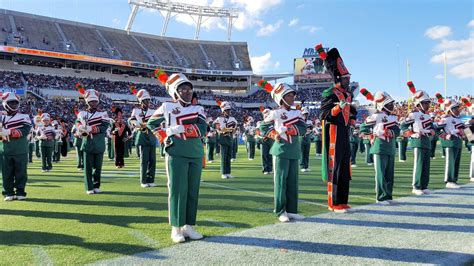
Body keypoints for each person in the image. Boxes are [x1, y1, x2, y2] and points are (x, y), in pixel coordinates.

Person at [147, 71, 207, 243]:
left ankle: (188, 226)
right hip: (176, 152)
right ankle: (176, 227)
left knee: (192, 191)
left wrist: (182, 129)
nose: (187, 92)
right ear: (175, 92)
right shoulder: (166, 107)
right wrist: (166, 134)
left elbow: (203, 129)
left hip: (195, 153)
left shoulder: (199, 108)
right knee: (177, 190)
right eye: (183, 89)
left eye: (189, 89)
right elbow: (152, 124)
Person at [259, 81, 307, 222]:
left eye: (293, 94)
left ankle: (292, 210)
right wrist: (274, 134)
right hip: (280, 150)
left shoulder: (297, 112)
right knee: (280, 181)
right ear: (282, 97)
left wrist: (290, 129)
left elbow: (303, 128)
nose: (293, 97)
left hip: (294, 150)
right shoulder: (275, 113)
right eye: (289, 95)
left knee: (293, 182)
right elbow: (263, 127)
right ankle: (280, 211)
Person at [318, 45, 357, 213]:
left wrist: (353, 122)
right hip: (333, 132)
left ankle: (343, 201)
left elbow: (353, 111)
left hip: (345, 132)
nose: (348, 81)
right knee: (335, 167)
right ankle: (333, 203)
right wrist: (337, 108)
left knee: (344, 167)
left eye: (349, 78)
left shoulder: (349, 95)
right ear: (339, 79)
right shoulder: (331, 93)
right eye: (346, 78)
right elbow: (323, 114)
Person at [362, 90, 400, 204]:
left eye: (392, 103)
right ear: (382, 105)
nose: (392, 106)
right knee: (380, 174)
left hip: (391, 148)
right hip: (379, 148)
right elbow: (362, 129)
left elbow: (397, 131)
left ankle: (388, 196)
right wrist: (373, 135)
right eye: (389, 104)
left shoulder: (393, 118)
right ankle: (381, 197)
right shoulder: (375, 116)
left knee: (389, 175)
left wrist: (391, 133)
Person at [401, 81, 435, 196]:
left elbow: (431, 127)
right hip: (418, 141)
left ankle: (424, 186)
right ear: (419, 103)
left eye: (428, 102)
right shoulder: (413, 114)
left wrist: (432, 130)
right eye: (425, 103)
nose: (428, 104)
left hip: (426, 141)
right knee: (419, 164)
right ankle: (416, 186)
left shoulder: (428, 115)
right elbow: (403, 126)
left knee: (426, 165)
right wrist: (413, 134)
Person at [76, 85, 109, 195]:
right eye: (91, 102)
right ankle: (89, 187)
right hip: (87, 143)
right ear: (87, 102)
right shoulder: (82, 114)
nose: (94, 103)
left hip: (99, 144)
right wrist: (80, 127)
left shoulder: (103, 113)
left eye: (95, 101)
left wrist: (92, 128)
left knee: (98, 168)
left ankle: (96, 185)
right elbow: (77, 123)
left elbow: (104, 127)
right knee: (88, 168)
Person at [1, 92, 32, 201]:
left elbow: (25, 130)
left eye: (15, 103)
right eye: (11, 103)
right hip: (5, 149)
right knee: (6, 173)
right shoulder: (1, 117)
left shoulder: (24, 116)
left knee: (21, 173)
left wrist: (8, 131)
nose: (14, 105)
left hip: (20, 150)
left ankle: (20, 191)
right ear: (5, 104)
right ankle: (8, 192)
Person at [129, 88, 158, 188]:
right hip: (142, 137)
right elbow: (131, 121)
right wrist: (137, 124)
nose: (147, 102)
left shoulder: (153, 111)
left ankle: (151, 179)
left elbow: (156, 122)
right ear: (141, 101)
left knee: (153, 160)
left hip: (152, 136)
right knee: (144, 160)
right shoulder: (136, 110)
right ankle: (143, 181)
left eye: (148, 100)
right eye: (145, 100)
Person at [438, 99, 465, 188]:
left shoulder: (459, 119)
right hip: (450, 142)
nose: (457, 110)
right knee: (450, 162)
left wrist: (471, 139)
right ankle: (449, 180)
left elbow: (465, 131)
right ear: (449, 110)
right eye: (455, 108)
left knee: (456, 162)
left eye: (457, 108)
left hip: (458, 142)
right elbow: (437, 129)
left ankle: (454, 179)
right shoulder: (446, 118)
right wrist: (445, 136)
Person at [214, 101, 237, 179]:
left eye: (229, 110)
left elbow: (234, 128)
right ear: (223, 111)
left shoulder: (232, 118)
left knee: (228, 156)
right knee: (224, 156)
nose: (228, 112)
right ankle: (223, 172)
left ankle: (228, 172)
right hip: (223, 138)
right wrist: (220, 128)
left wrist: (227, 129)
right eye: (226, 110)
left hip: (230, 138)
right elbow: (216, 126)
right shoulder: (219, 119)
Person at [257, 108, 274, 175]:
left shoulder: (274, 123)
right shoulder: (260, 123)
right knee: (264, 155)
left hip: (271, 140)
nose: (266, 116)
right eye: (265, 115)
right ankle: (265, 169)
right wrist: (261, 137)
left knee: (270, 155)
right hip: (263, 140)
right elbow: (257, 133)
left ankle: (270, 169)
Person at [300, 107, 313, 172]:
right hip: (301, 137)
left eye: (306, 113)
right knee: (302, 152)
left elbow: (311, 129)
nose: (305, 115)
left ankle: (306, 166)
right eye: (304, 114)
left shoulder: (309, 121)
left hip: (307, 137)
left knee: (307, 152)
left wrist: (308, 131)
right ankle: (302, 166)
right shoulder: (299, 121)